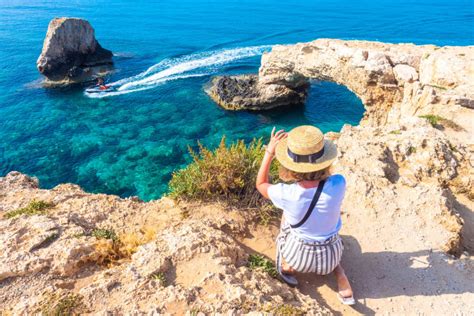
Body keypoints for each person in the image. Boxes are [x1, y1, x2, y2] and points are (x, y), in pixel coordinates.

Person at [256, 125, 355, 305]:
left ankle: (288, 268)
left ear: (291, 166)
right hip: (331, 257)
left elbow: (261, 184)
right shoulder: (339, 183)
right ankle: (340, 274)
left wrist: (269, 152)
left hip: (298, 259)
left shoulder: (287, 194)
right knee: (329, 228)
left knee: (287, 215)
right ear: (324, 160)